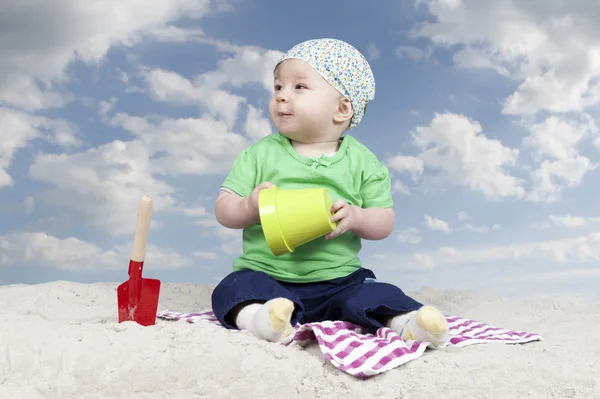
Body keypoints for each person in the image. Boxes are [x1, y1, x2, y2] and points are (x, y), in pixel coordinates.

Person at [211, 38, 449, 348]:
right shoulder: (257, 155)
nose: (282, 97)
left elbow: (385, 221)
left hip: (340, 281)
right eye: (278, 87)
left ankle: (408, 323)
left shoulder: (363, 162)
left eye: (299, 87)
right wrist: (249, 206)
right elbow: (223, 208)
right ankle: (262, 319)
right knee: (231, 288)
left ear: (341, 108)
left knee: (375, 292)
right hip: (267, 275)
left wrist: (357, 217)